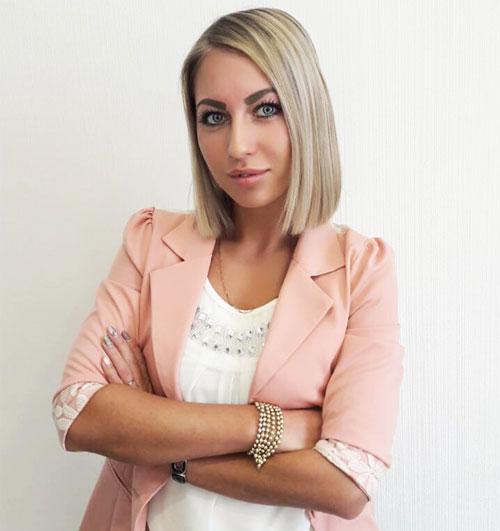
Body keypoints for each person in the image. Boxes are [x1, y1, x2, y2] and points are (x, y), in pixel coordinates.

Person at [51, 7, 404, 531]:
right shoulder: (150, 242)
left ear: (307, 113)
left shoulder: (361, 271)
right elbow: (79, 414)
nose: (238, 145)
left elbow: (345, 484)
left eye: (266, 109)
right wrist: (271, 426)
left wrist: (160, 441)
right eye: (213, 117)